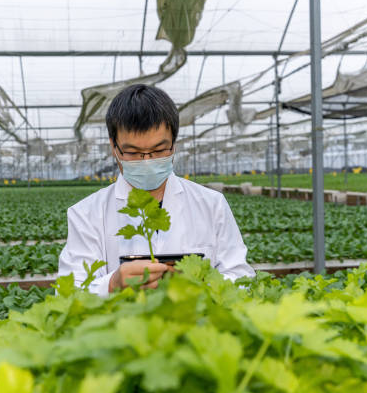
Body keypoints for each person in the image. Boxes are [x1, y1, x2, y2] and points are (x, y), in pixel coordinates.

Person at [58, 84, 255, 297]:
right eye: (133, 152)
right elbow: (68, 294)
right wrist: (111, 285)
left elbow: (240, 275)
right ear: (113, 146)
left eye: (159, 150)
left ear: (174, 144)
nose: (147, 161)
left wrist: (201, 285)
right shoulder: (86, 214)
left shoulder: (212, 204)